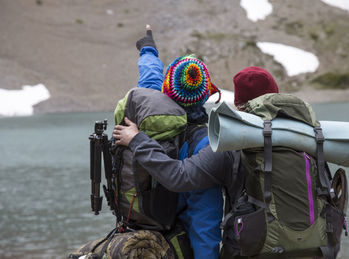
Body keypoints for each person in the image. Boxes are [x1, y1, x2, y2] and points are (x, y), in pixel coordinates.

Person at [112, 66, 280, 257]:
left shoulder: (222, 145)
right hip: (310, 243)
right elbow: (204, 219)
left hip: (238, 248)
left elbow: (197, 205)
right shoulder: (307, 136)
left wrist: (137, 140)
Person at [133, 25, 224, 259]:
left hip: (145, 233)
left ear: (166, 88)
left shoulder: (150, 113)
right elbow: (205, 217)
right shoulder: (205, 143)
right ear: (206, 94)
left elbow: (150, 77)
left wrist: (148, 49)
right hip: (179, 241)